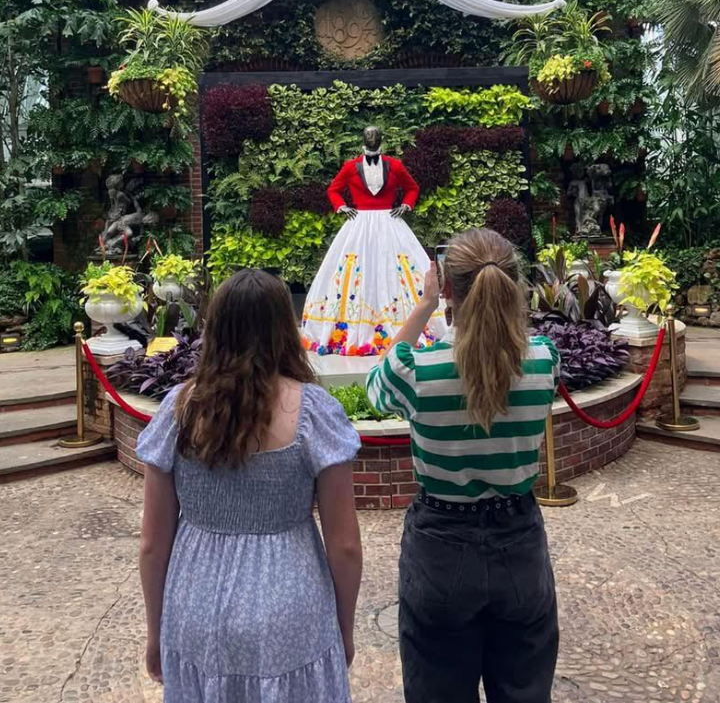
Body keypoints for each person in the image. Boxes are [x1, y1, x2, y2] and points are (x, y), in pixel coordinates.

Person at [137, 268, 363, 703]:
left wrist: (155, 632)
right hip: (292, 609)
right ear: (284, 326)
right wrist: (344, 629)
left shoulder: (178, 410)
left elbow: (152, 542)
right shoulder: (314, 412)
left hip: (195, 606)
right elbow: (346, 545)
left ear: (216, 327)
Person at [367, 228, 560, 703]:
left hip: (441, 545)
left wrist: (425, 306)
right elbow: (509, 349)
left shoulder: (417, 371)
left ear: (446, 287)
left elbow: (376, 386)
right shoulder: (542, 362)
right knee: (523, 689)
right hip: (519, 540)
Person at [302, 124, 445, 358]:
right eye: (368, 136)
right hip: (359, 224)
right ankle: (352, 327)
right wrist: (342, 207)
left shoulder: (394, 165)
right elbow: (333, 190)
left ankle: (405, 323)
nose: (371, 139)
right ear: (363, 140)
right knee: (356, 270)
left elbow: (412, 187)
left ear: (380, 139)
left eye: (375, 135)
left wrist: (406, 205)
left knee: (393, 268)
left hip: (390, 222)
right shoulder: (350, 167)